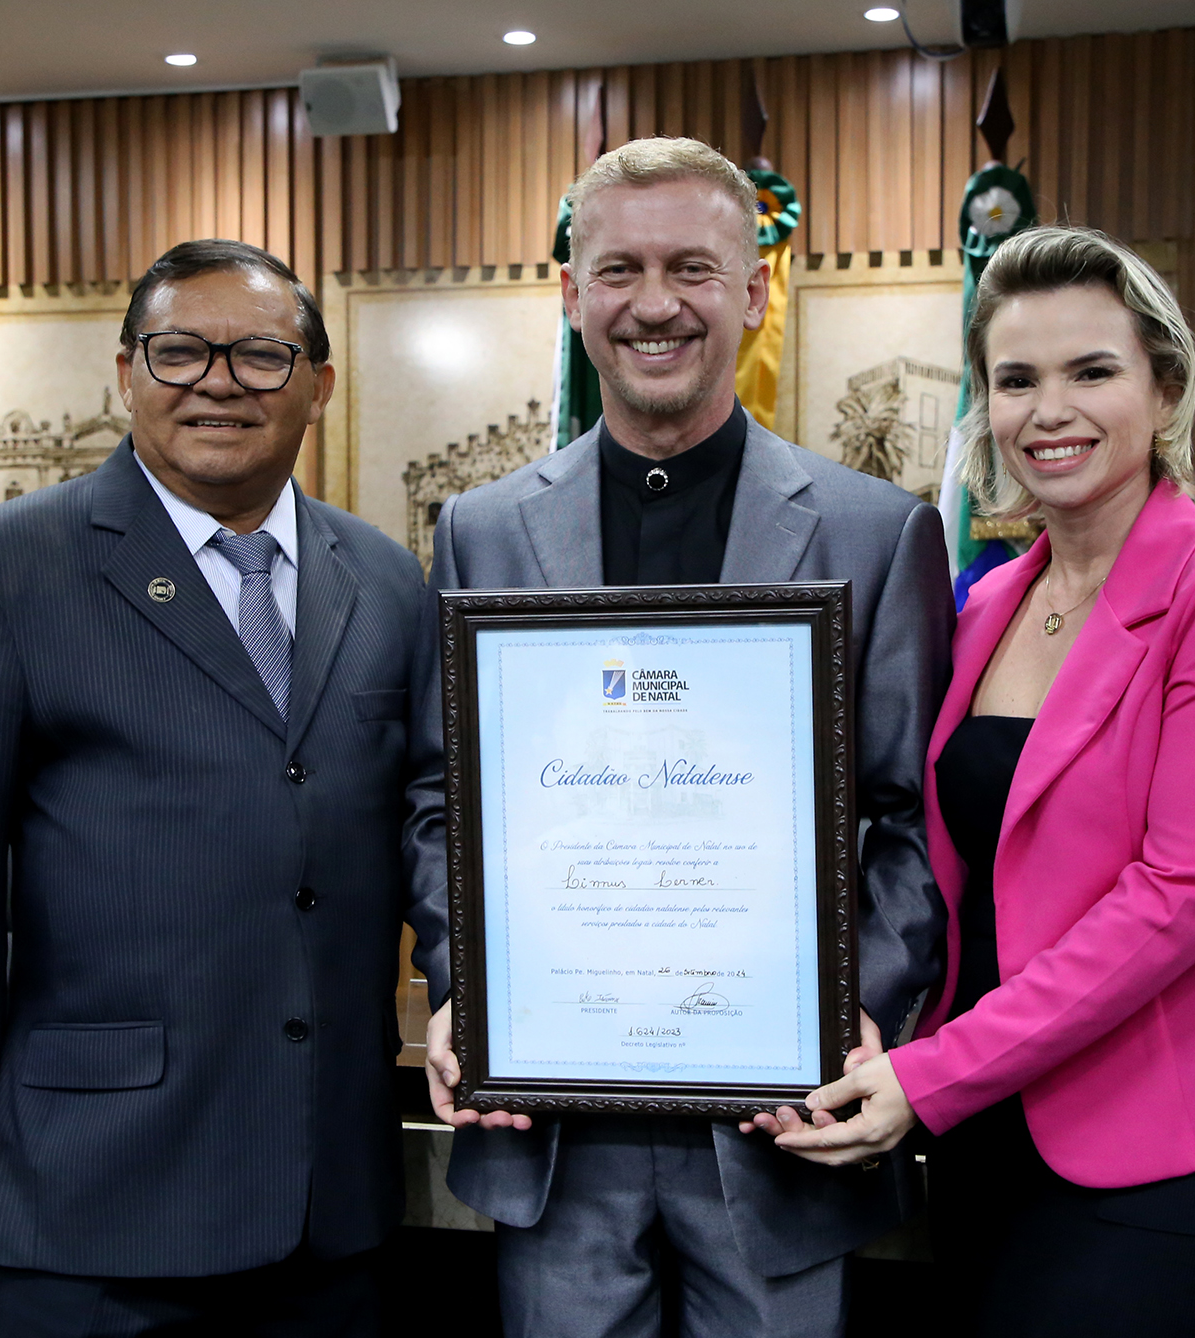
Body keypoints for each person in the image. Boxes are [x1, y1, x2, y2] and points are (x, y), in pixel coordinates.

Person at [767, 225, 1195, 1335]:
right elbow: (935, 868)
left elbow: (1177, 897)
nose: (1049, 410)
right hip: (988, 1143)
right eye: (1016, 379)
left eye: (1091, 372)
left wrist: (935, 1073)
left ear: (1163, 390)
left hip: (1191, 1169)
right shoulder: (985, 604)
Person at [421, 136, 953, 1338]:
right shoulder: (480, 530)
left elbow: (907, 816)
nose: (652, 303)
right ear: (571, 294)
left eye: (691, 269)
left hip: (778, 1120)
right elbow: (441, 798)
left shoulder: (876, 533)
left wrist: (851, 1006)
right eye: (617, 270)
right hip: (555, 1122)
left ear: (753, 291)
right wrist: (470, 985)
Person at [0, 239, 446, 1337]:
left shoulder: (383, 578)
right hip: (100, 1187)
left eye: (261, 357)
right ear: (126, 372)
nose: (218, 383)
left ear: (318, 386)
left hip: (328, 1195)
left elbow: (427, 823)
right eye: (180, 351)